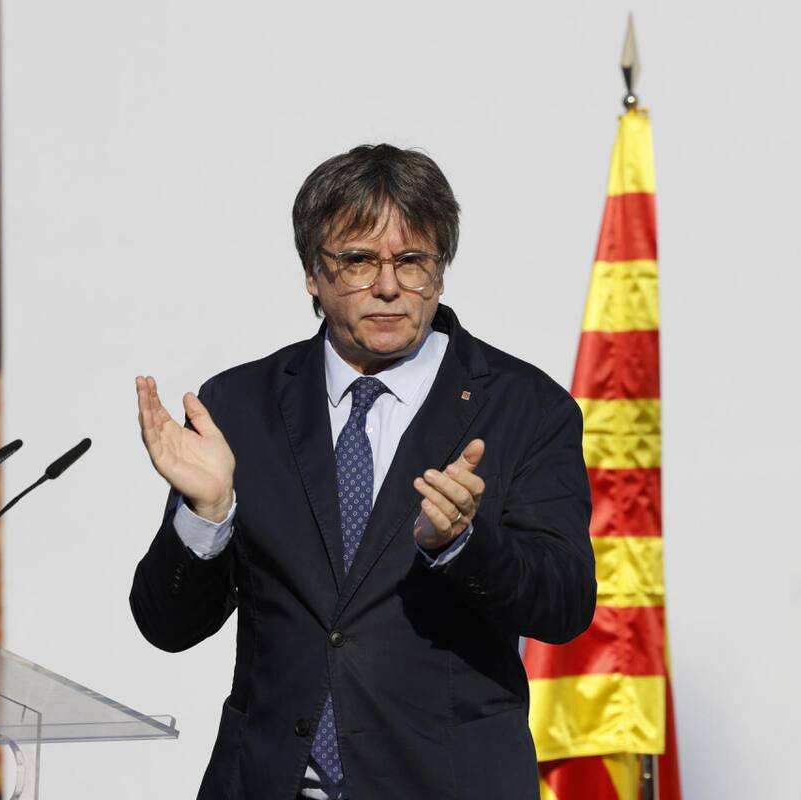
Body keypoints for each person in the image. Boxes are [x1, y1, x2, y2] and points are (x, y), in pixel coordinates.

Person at [130, 144, 596, 800]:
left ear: (439, 274)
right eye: (358, 260)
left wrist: (464, 544)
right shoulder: (239, 405)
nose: (387, 286)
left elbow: (567, 604)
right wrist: (206, 517)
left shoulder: (525, 406)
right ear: (312, 274)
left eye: (411, 261)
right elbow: (167, 625)